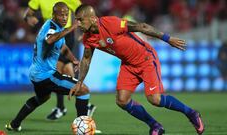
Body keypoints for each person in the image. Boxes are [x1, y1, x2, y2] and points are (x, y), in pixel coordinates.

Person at [70, 4, 205, 135]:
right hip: (128, 65)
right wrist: (80, 82)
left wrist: (167, 39)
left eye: (80, 20)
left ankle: (191, 113)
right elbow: (86, 59)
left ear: (93, 18)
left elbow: (141, 26)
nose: (78, 23)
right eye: (76, 20)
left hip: (146, 58)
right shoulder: (88, 38)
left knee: (155, 100)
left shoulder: (111, 23)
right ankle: (155, 126)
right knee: (122, 100)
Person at [5, 2, 92, 131]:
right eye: (61, 15)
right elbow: (50, 40)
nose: (64, 18)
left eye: (66, 15)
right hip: (47, 75)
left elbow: (62, 47)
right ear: (53, 15)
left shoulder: (55, 27)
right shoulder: (51, 28)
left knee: (41, 98)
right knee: (83, 90)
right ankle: (83, 129)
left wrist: (73, 60)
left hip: (36, 74)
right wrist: (72, 28)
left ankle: (14, 124)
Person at [23, 0, 96, 120]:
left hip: (66, 35)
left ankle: (62, 107)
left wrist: (85, 30)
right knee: (65, 71)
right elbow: (28, 13)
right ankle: (82, 103)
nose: (64, 16)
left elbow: (84, 13)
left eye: (66, 14)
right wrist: (28, 18)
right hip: (51, 30)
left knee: (58, 70)